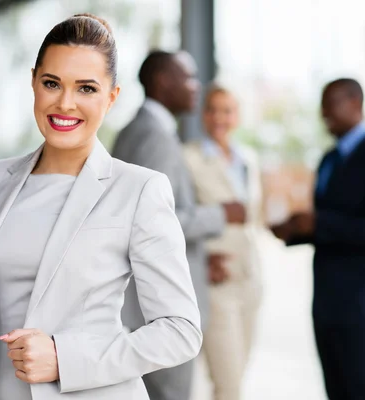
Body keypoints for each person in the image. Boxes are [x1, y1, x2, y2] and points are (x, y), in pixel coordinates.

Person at [0, 14, 202, 400]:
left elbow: (181, 330)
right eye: (51, 83)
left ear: (111, 97)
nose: (65, 103)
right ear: (33, 82)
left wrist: (66, 358)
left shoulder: (139, 190)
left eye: (86, 88)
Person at [111, 51, 246, 400]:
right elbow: (157, 223)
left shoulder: (135, 131)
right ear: (162, 82)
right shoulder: (154, 137)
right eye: (188, 78)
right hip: (160, 311)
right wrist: (222, 214)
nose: (196, 87)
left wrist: (199, 261)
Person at [271, 78, 365, 400]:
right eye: (322, 104)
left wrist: (319, 223)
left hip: (364, 304)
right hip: (327, 303)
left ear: (355, 104)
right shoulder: (329, 159)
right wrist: (294, 230)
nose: (323, 112)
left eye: (330, 103)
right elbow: (327, 225)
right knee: (337, 392)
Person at [182, 84, 265, 400]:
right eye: (212, 109)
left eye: (227, 110)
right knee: (228, 387)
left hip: (251, 281)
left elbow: (254, 219)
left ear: (238, 116)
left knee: (237, 380)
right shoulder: (188, 158)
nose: (219, 117)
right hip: (218, 285)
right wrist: (200, 261)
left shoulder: (248, 160)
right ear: (203, 115)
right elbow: (176, 218)